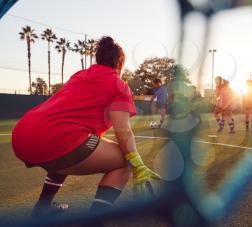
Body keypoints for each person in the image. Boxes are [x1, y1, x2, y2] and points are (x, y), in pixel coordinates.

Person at [11, 36, 160, 220]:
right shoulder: (118, 84)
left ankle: (43, 207)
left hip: (21, 135)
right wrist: (138, 162)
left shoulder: (79, 75)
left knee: (66, 146)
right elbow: (123, 130)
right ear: (120, 64)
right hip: (56, 139)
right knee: (125, 161)